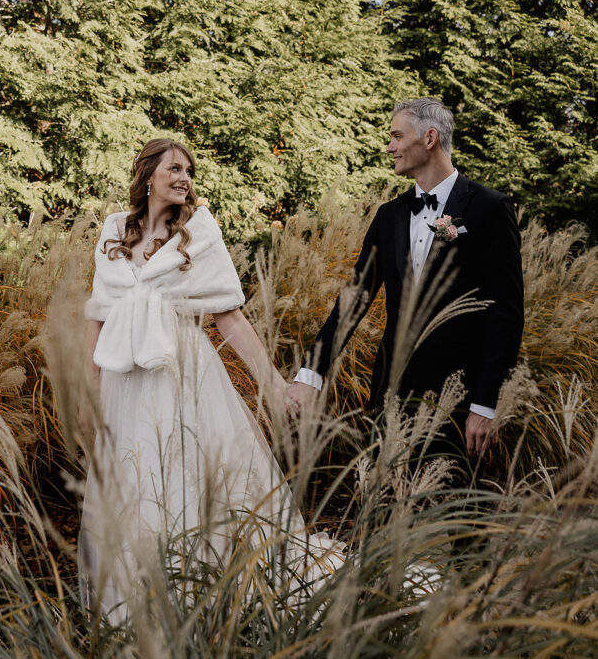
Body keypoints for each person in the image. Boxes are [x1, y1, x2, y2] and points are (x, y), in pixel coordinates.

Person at [80, 138, 340, 624]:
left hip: (181, 376)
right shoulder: (114, 230)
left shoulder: (198, 230)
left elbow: (232, 319)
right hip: (123, 383)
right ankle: (138, 606)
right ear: (148, 174)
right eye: (174, 168)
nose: (184, 178)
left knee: (187, 478)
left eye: (189, 171)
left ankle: (204, 597)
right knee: (133, 484)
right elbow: (97, 315)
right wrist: (87, 388)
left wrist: (275, 385)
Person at [287, 97, 524, 465]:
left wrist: (485, 402)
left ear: (429, 139)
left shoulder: (489, 209)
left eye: (397, 136)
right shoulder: (389, 215)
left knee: (446, 515)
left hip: (457, 400)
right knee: (382, 508)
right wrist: (311, 372)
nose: (390, 146)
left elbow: (505, 314)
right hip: (389, 393)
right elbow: (356, 297)